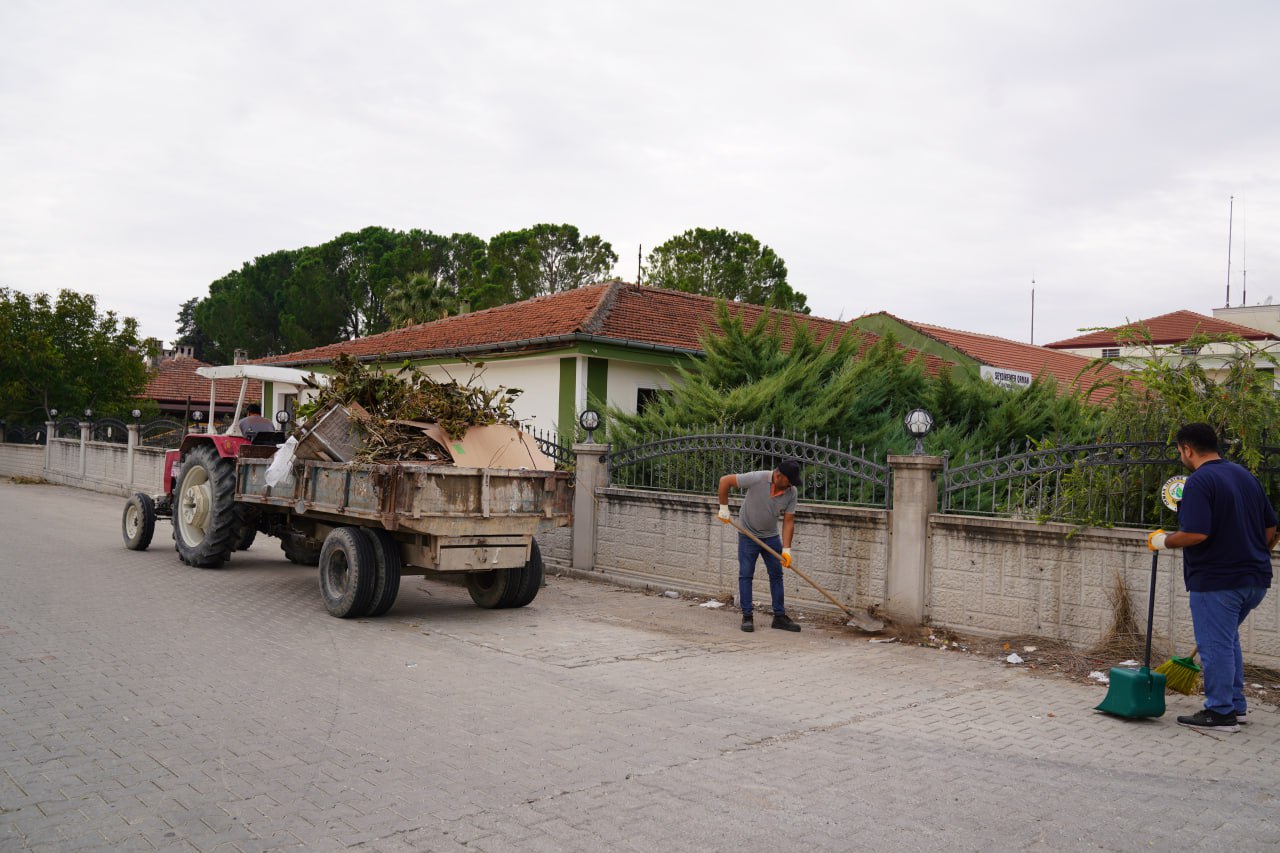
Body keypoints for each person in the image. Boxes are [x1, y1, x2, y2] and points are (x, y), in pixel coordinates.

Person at [1148, 423, 1277, 733]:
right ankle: (1236, 706)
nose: (1181, 455)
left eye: (1180, 450)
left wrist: (1163, 540)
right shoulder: (1244, 476)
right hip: (1255, 579)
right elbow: (1271, 529)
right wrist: (1256, 552)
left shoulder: (1199, 482)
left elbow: (1196, 532)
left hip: (1218, 582)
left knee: (1214, 645)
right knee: (1226, 639)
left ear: (1187, 449)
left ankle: (1220, 713)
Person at [717, 459, 803, 633]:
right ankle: (747, 616)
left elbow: (788, 521)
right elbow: (724, 481)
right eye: (789, 482)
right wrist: (723, 508)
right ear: (778, 476)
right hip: (748, 534)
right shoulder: (757, 478)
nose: (790, 486)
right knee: (746, 574)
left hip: (771, 536)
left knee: (777, 575)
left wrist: (786, 549)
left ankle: (779, 617)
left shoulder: (791, 492)